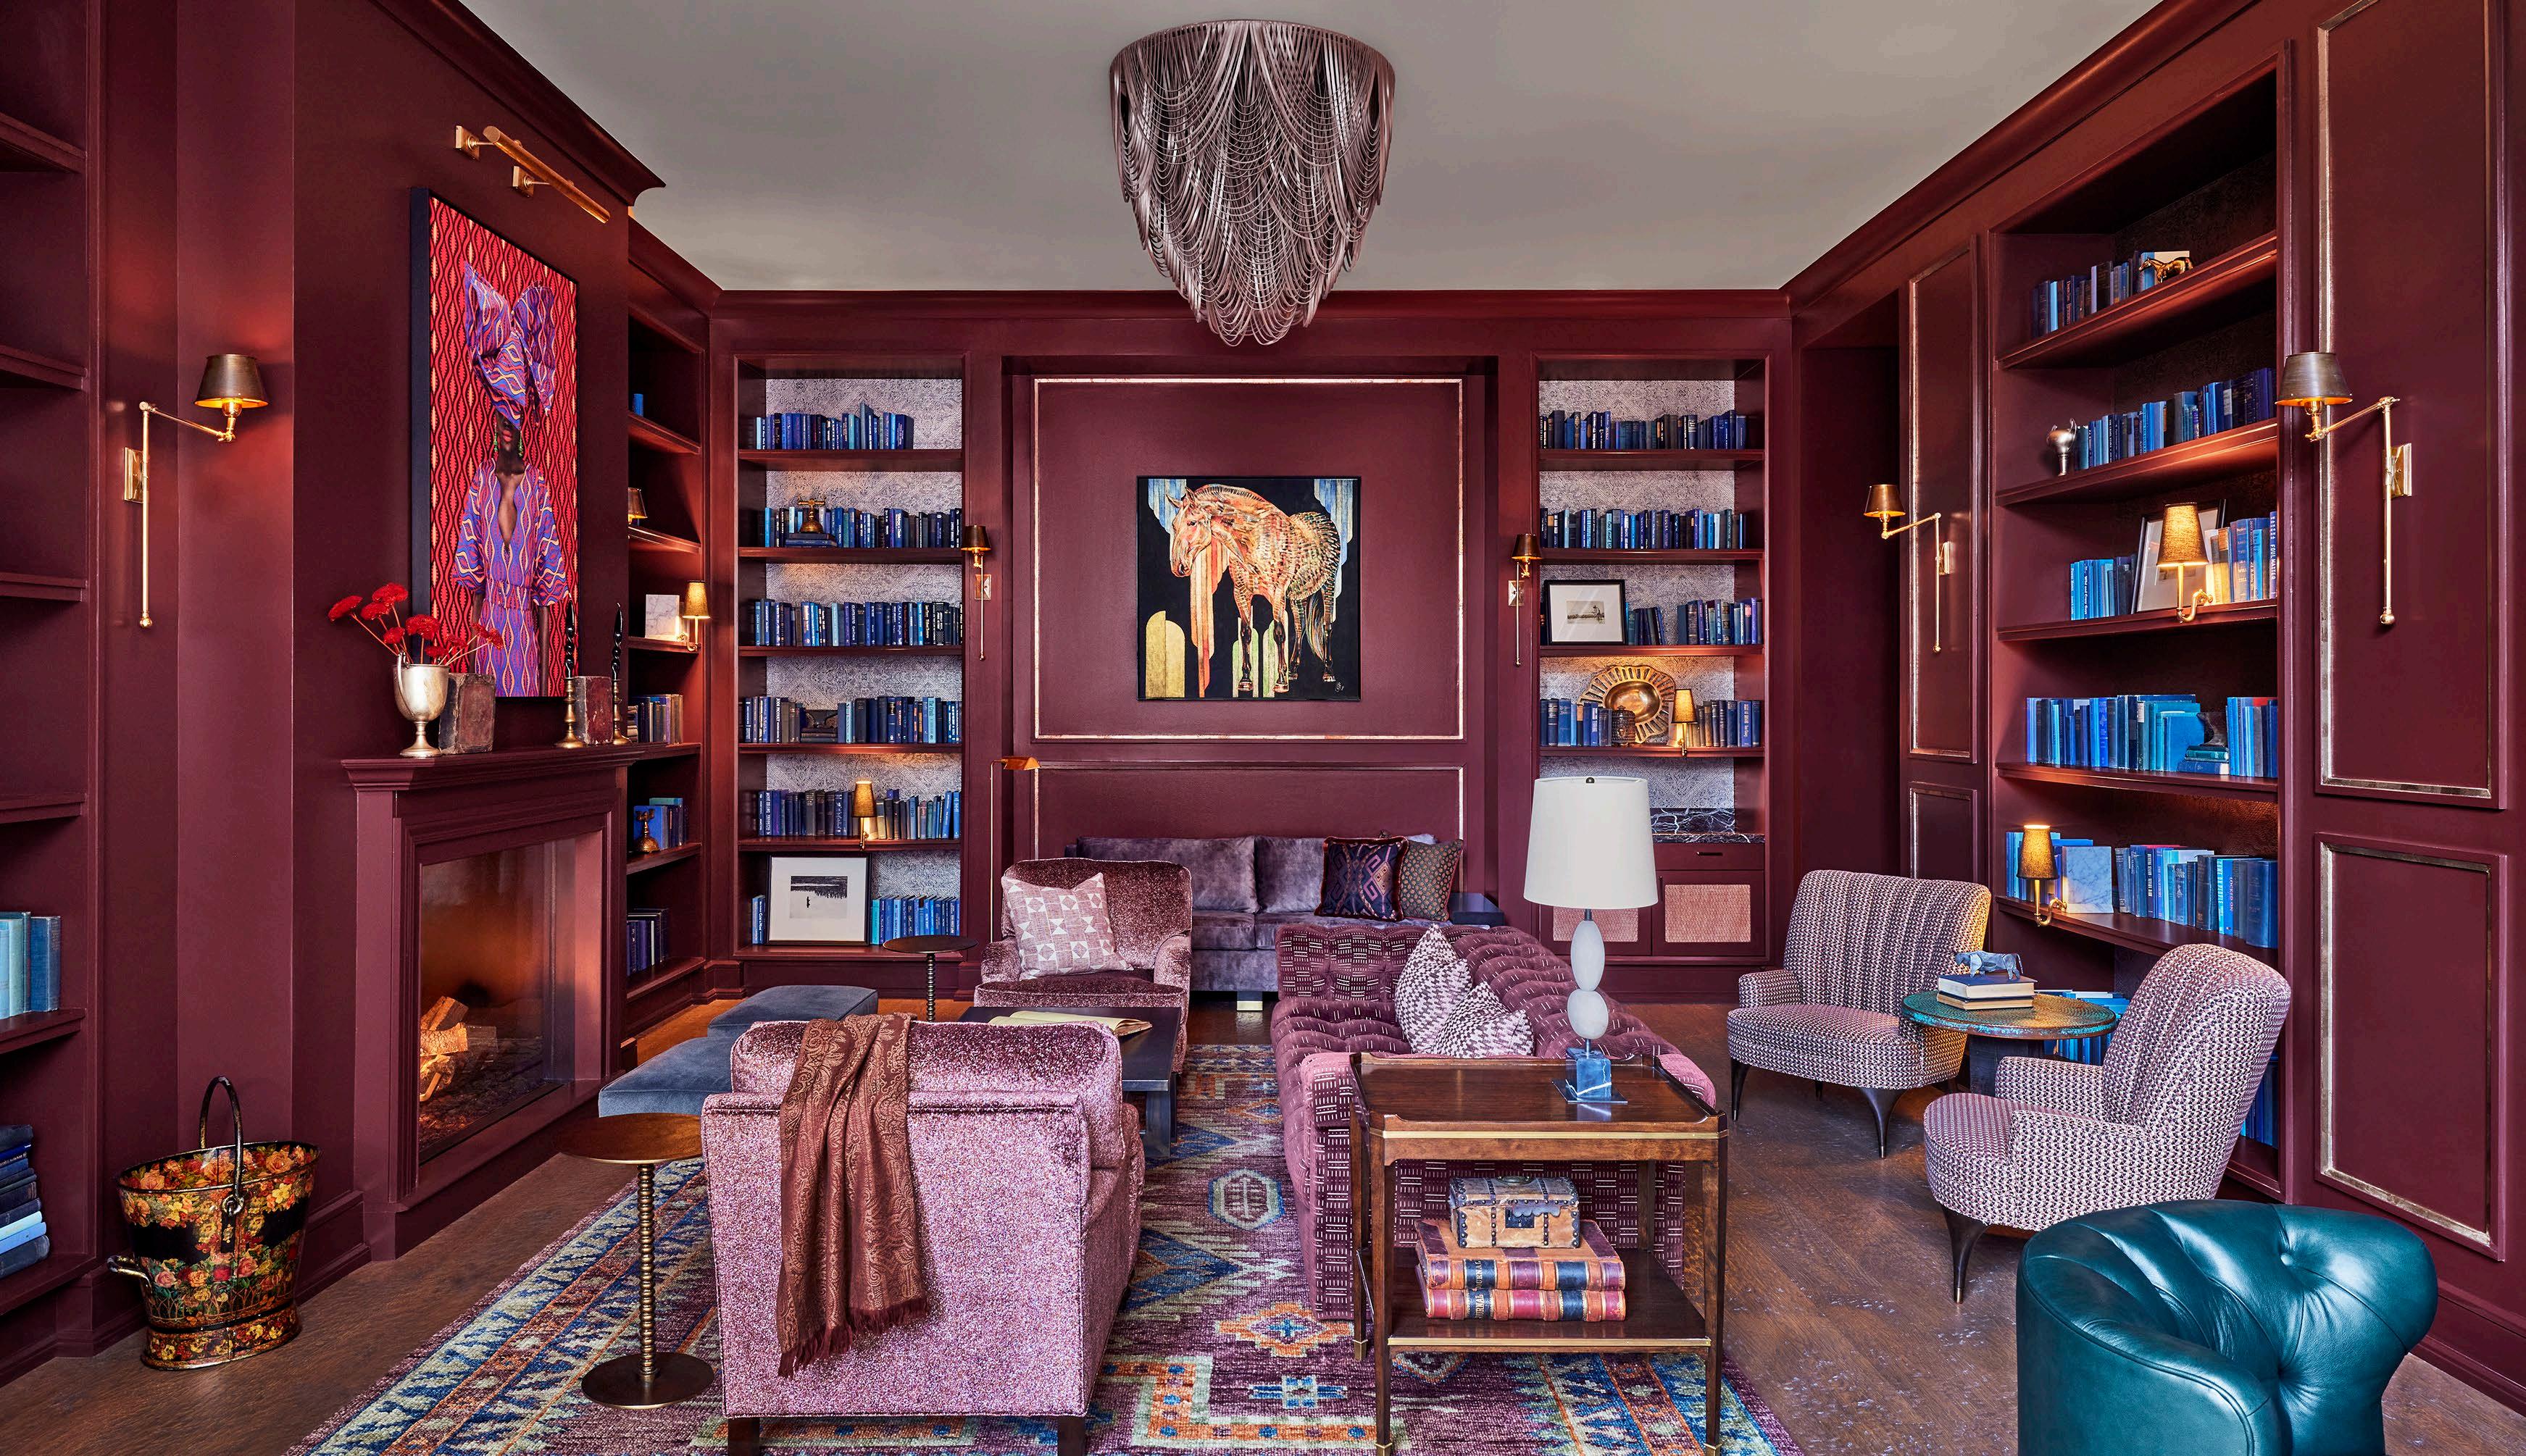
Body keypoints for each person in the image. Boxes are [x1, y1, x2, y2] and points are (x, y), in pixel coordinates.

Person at [449, 265, 570, 694]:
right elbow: (472, 581)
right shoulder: (481, 483)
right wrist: (467, 663)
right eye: (501, 415)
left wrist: (546, 678)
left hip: (523, 631)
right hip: (487, 631)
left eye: (514, 417)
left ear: (522, 424)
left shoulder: (537, 488)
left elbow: (548, 588)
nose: (507, 426)